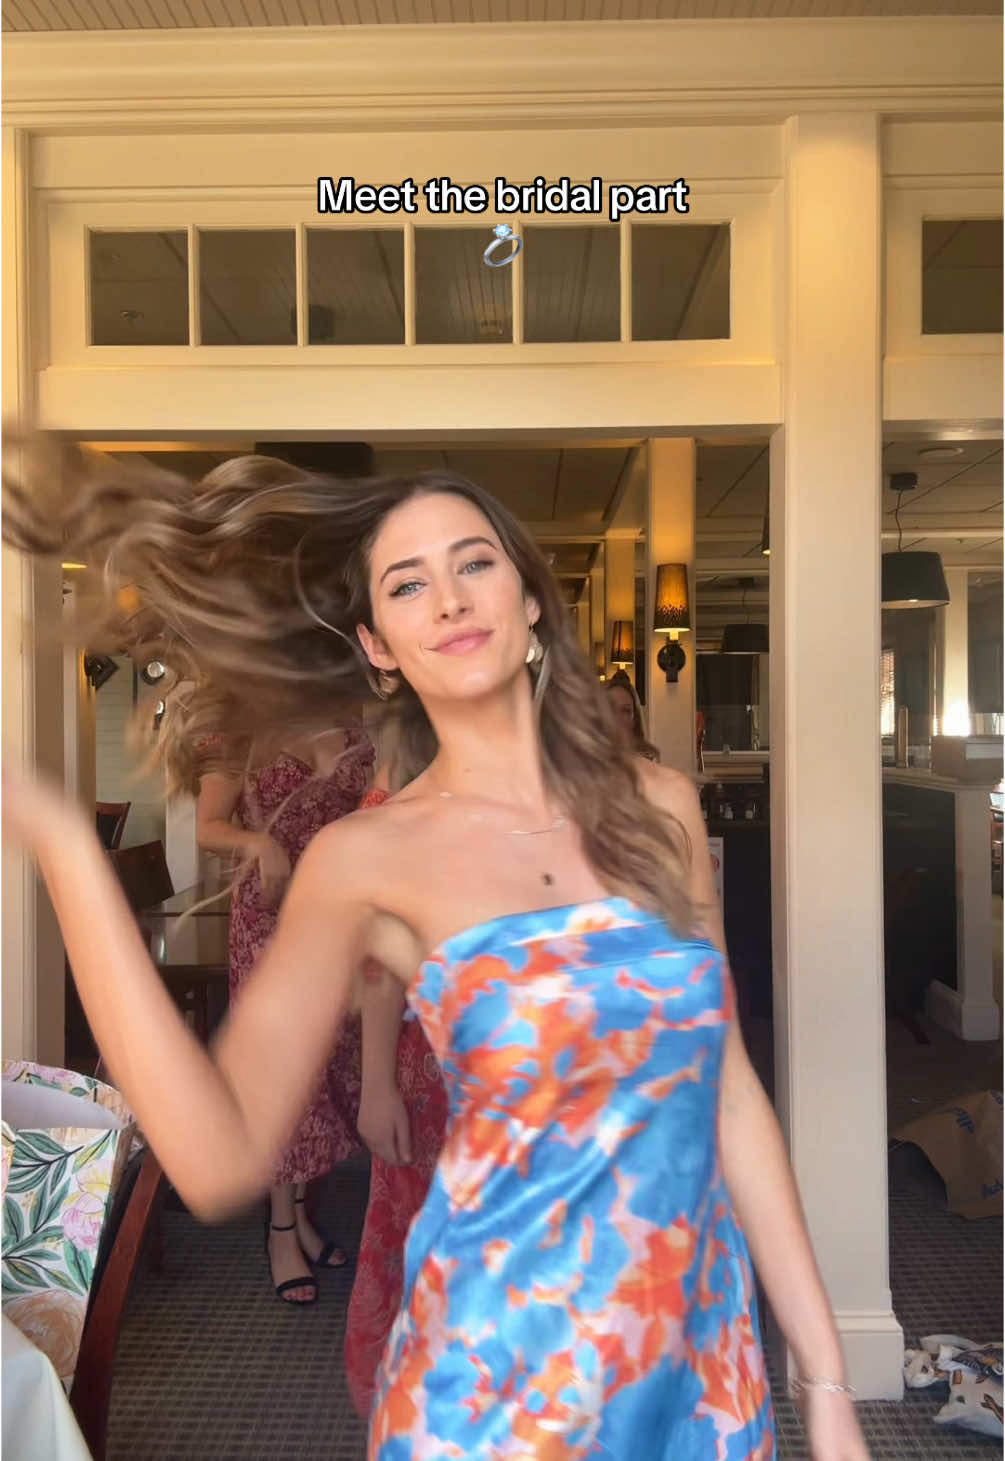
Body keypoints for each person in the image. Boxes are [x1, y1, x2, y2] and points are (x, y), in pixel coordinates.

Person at [3, 440, 870, 1461]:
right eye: (408, 584)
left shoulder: (661, 807)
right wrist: (61, 843)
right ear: (378, 646)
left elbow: (728, 1093)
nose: (450, 598)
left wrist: (824, 1380)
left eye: (475, 562)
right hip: (495, 1383)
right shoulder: (367, 855)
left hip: (697, 1362)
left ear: (531, 600)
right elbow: (216, 1157)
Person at [196, 721, 373, 1305]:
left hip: (338, 913)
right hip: (268, 914)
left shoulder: (355, 723)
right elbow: (208, 826)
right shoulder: (240, 727)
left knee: (327, 1068)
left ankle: (297, 1218)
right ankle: (279, 1229)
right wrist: (260, 844)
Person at [347, 766, 449, 1417]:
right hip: (433, 1069)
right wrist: (376, 1081)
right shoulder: (397, 796)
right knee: (423, 1248)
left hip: (546, 1075)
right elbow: (378, 962)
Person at [604, 668, 660, 762]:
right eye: (611, 708)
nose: (618, 717)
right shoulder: (583, 761)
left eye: (626, 710)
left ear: (634, 719)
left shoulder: (646, 760)